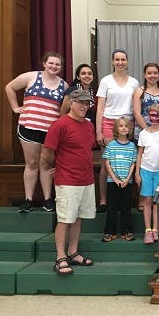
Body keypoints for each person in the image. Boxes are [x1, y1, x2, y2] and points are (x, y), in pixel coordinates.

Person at [40, 89, 95, 276]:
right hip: (67, 180)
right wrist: (52, 167)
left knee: (78, 217)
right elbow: (47, 152)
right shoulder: (60, 124)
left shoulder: (88, 126)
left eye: (87, 103)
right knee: (64, 219)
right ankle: (60, 256)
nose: (84, 106)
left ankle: (73, 251)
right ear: (71, 103)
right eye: (80, 102)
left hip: (86, 179)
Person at [5, 52, 68, 213]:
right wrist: (15, 107)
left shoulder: (64, 86)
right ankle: (28, 200)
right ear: (44, 63)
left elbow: (64, 109)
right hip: (29, 128)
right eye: (51, 63)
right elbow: (10, 87)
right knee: (32, 164)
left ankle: (48, 200)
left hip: (50, 131)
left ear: (61, 67)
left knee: (46, 164)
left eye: (57, 64)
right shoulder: (31, 77)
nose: (54, 66)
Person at [96, 49, 139, 212]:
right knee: (106, 164)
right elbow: (100, 108)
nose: (120, 62)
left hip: (128, 124)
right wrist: (98, 131)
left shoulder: (134, 82)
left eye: (123, 59)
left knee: (127, 162)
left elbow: (136, 107)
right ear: (112, 62)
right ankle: (103, 200)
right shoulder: (105, 81)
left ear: (127, 62)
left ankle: (126, 199)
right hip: (108, 123)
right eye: (117, 59)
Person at [135, 103, 159, 244]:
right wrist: (137, 173)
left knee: (157, 200)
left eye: (157, 115)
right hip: (145, 170)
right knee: (147, 199)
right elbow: (140, 154)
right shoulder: (143, 134)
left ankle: (156, 229)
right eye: (152, 115)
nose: (154, 118)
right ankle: (148, 230)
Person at [102, 117, 137, 242]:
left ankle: (126, 231)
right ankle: (109, 231)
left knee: (125, 208)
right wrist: (114, 178)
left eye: (126, 126)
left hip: (127, 182)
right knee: (111, 208)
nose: (123, 128)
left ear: (130, 129)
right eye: (121, 126)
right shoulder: (111, 145)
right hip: (112, 182)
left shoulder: (132, 146)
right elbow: (107, 163)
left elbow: (133, 164)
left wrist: (127, 179)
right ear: (116, 128)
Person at [133, 63, 159, 143]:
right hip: (143, 132)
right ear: (145, 75)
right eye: (149, 73)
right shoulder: (139, 91)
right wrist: (148, 131)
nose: (152, 75)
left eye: (155, 73)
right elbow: (137, 114)